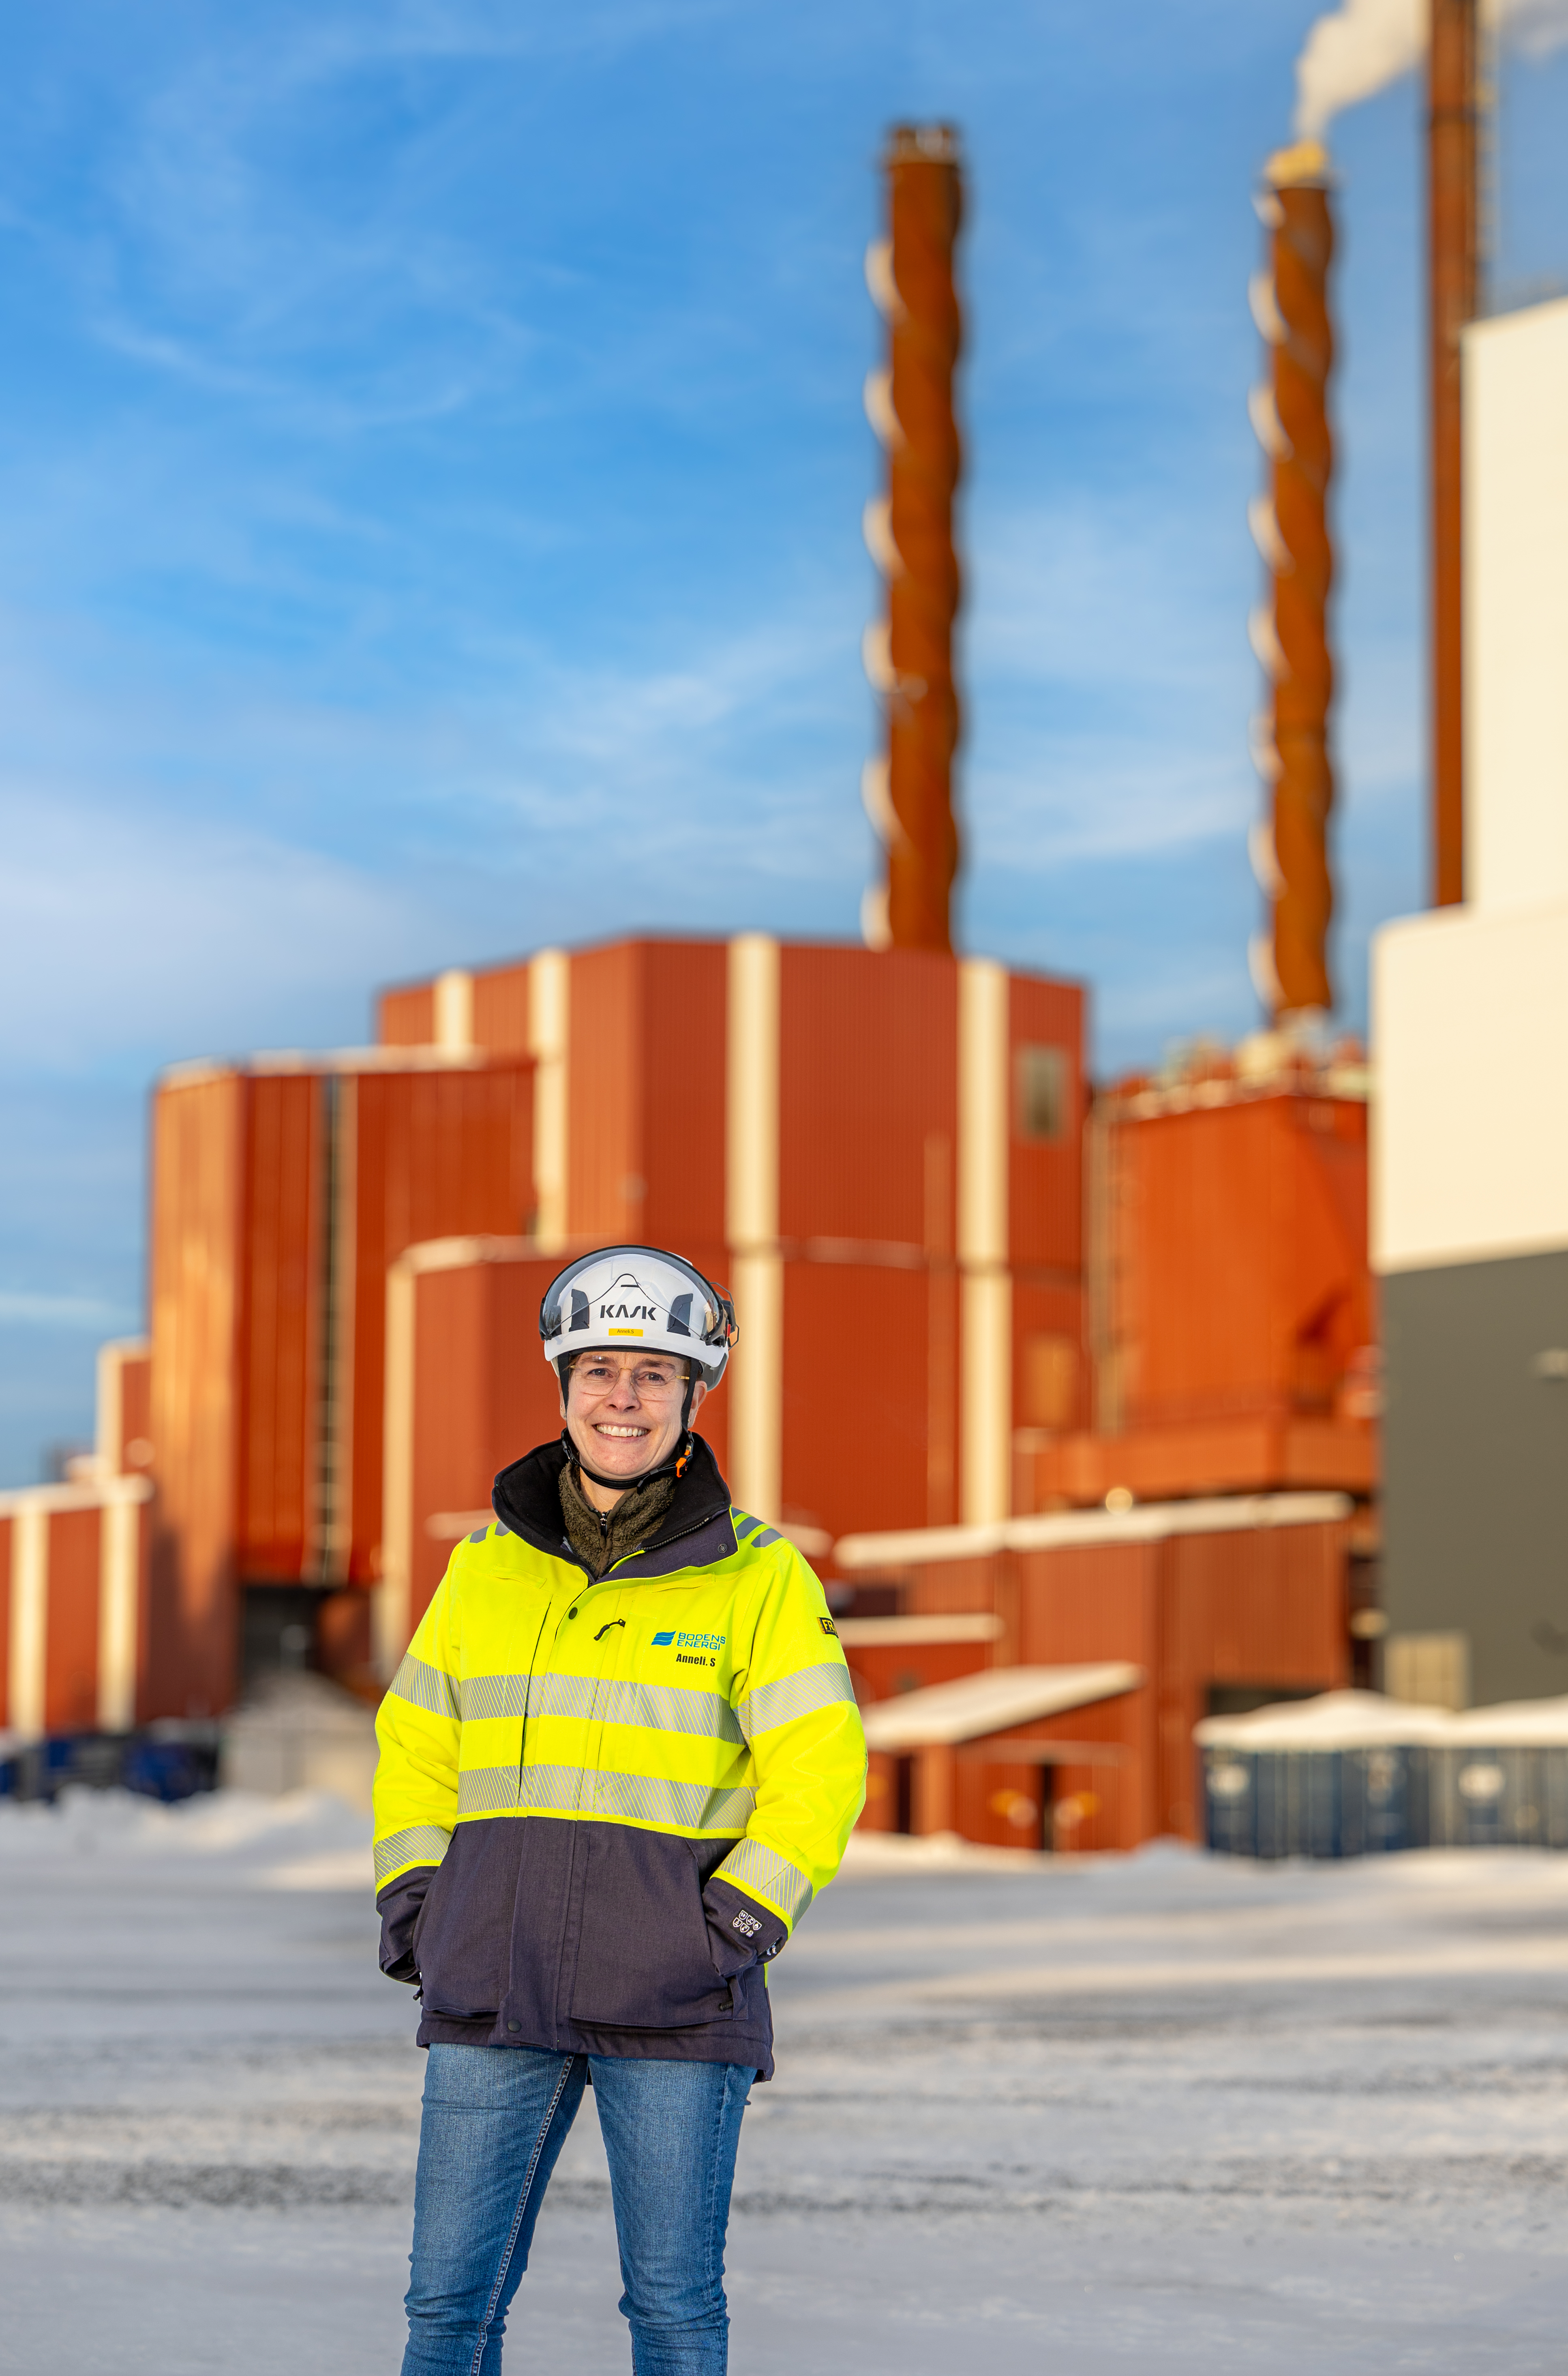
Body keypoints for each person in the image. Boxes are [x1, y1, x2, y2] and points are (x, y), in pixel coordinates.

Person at [373, 1243, 867, 2376]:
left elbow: (820, 1766)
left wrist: (733, 1925)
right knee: (446, 2308)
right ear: (563, 1387)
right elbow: (416, 1745)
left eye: (654, 1375)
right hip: (492, 1983)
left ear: (694, 1396)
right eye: (599, 1370)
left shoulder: (759, 1575)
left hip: (677, 1999)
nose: (623, 1398)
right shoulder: (484, 1569)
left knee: (673, 2310)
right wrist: (420, 1906)